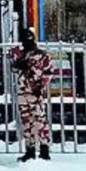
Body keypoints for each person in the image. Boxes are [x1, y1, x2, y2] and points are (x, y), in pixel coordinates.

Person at [12, 27, 55, 162]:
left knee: (39, 120)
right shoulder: (19, 53)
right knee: (26, 122)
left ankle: (44, 149)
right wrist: (19, 63)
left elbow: (49, 72)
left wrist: (40, 85)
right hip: (22, 91)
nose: (27, 40)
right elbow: (14, 68)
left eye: (29, 37)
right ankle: (29, 149)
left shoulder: (42, 55)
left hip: (35, 92)